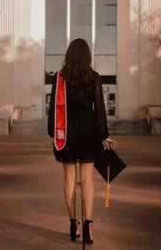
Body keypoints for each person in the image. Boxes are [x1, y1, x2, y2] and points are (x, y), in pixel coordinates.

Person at [47, 38, 117, 244]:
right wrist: (104, 134)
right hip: (88, 130)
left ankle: (72, 224)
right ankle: (88, 226)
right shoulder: (93, 77)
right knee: (87, 180)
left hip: (66, 131)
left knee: (69, 180)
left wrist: (53, 133)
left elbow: (53, 109)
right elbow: (100, 109)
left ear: (69, 55)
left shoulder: (59, 78)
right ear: (87, 56)